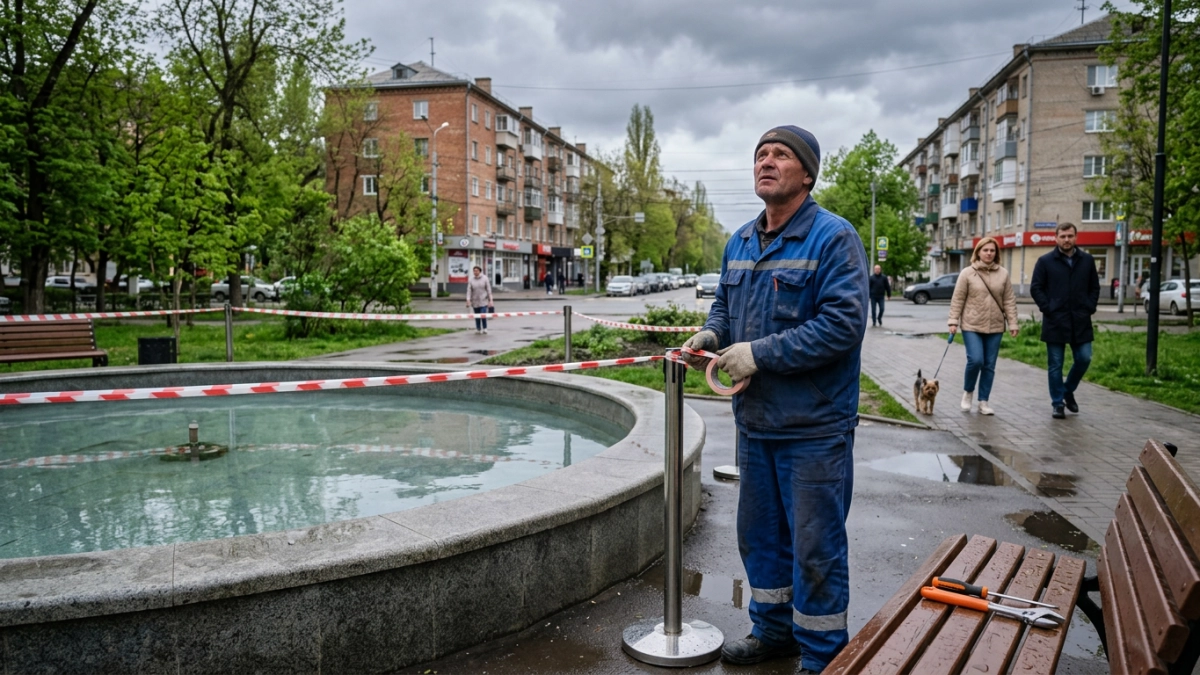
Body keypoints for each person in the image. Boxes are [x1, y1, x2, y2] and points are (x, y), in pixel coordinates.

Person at [682, 125, 867, 672]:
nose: (766, 161)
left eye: (780, 154)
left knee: (815, 548)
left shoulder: (833, 237)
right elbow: (725, 307)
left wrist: (758, 354)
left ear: (806, 174)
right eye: (760, 154)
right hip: (756, 421)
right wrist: (712, 335)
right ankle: (773, 632)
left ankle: (823, 656)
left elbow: (842, 325)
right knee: (760, 538)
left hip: (815, 426)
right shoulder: (740, 240)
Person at [1030, 222, 1100, 419]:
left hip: (1080, 319)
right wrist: (1048, 308)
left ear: (1075, 237)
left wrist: (1089, 307)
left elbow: (1094, 287)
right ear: (1056, 238)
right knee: (1055, 365)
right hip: (1055, 320)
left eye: (1070, 236)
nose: (1066, 240)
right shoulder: (1045, 261)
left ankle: (1067, 390)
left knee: (1084, 358)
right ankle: (1057, 403)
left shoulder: (1087, 260)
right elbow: (1036, 288)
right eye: (1063, 236)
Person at [947, 237, 1019, 416]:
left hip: (995, 326)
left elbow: (1009, 300)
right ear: (978, 252)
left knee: (989, 365)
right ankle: (968, 392)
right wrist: (953, 321)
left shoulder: (1003, 273)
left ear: (996, 253)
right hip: (971, 324)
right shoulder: (967, 273)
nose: (989, 253)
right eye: (985, 250)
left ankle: (983, 401)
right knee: (976, 360)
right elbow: (958, 298)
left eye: (992, 250)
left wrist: (1013, 323)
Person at [465, 265, 493, 334]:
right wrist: (468, 300)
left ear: (480, 271)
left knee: (483, 315)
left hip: (483, 300)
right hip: (475, 301)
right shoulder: (471, 279)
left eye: (476, 271)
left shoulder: (485, 278)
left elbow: (488, 290)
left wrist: (491, 300)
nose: (475, 272)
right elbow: (469, 291)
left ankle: (485, 328)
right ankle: (478, 328)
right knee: (477, 316)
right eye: (474, 271)